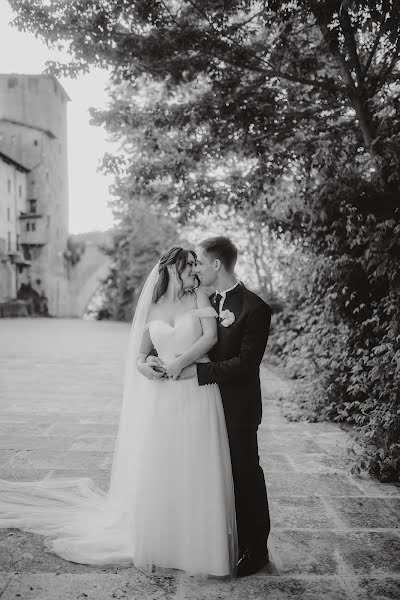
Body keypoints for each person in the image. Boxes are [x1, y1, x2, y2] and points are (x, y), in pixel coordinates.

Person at [0, 247, 237, 578]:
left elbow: (210, 338)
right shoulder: (153, 305)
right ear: (170, 269)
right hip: (161, 396)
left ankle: (200, 546)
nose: (192, 274)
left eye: (194, 268)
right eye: (187, 269)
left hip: (194, 389)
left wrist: (179, 363)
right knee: (164, 464)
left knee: (195, 462)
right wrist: (145, 367)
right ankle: (163, 542)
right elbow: (140, 354)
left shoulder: (198, 296)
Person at [146, 237, 271, 577]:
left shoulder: (255, 308)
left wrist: (194, 371)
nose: (196, 268)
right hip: (204, 405)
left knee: (245, 474)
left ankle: (256, 549)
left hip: (238, 406)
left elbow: (246, 365)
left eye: (200, 262)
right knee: (214, 477)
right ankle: (218, 540)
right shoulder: (204, 299)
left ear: (217, 265)